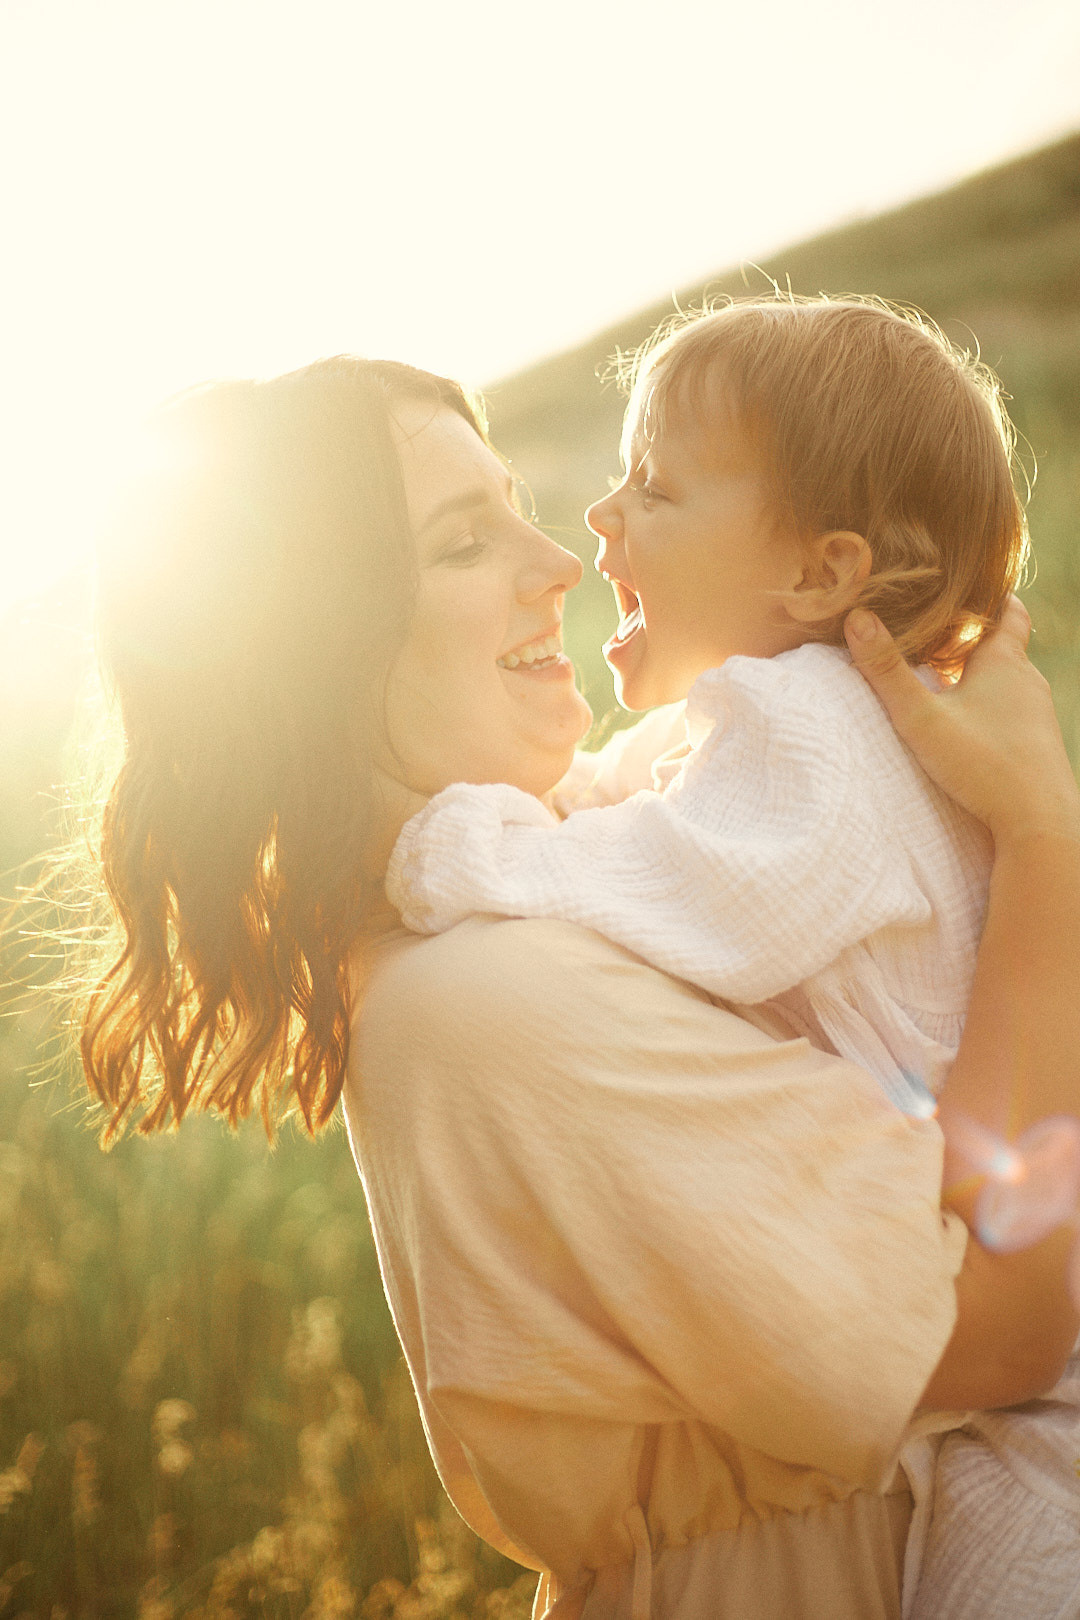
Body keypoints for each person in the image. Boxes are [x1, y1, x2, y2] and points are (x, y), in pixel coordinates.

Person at [82, 355, 1080, 1619]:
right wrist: (1044, 840)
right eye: (460, 543)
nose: (557, 558)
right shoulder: (490, 995)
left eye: (515, 503)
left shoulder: (546, 878)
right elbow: (1004, 1334)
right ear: (321, 644)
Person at [380, 300, 1080, 1615]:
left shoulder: (815, 722)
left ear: (818, 579)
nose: (598, 526)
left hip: (1049, 1410)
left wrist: (446, 845)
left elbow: (692, 889)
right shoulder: (759, 731)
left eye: (653, 488)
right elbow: (622, 811)